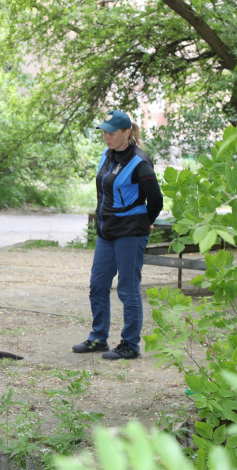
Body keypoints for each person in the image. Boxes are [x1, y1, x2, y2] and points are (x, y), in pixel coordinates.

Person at [72, 110, 163, 360]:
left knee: (127, 289)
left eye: (111, 133)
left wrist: (146, 221)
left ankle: (130, 345)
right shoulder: (107, 155)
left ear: (127, 132)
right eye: (103, 132)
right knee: (98, 285)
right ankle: (98, 339)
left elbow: (156, 199)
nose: (106, 137)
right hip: (106, 232)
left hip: (130, 233)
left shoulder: (140, 163)